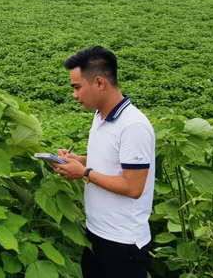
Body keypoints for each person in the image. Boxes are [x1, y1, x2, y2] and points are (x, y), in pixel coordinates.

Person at [51, 46, 155, 278]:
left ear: (99, 82)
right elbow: (112, 161)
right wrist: (78, 160)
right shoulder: (100, 116)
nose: (74, 95)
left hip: (123, 242)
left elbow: (134, 187)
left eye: (77, 87)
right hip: (97, 232)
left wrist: (84, 173)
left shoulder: (132, 126)